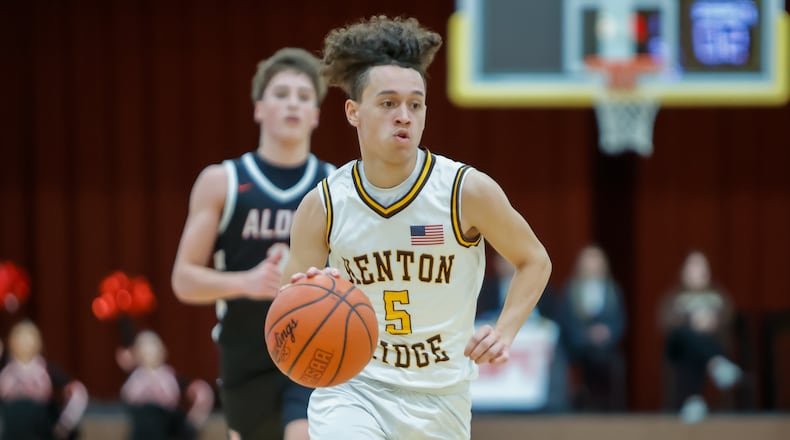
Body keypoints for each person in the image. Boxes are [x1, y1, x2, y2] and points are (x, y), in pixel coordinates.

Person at [281, 15, 552, 439]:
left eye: (415, 104)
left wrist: (504, 331)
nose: (404, 116)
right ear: (353, 111)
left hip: (441, 397)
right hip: (355, 388)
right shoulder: (324, 205)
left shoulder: (465, 191)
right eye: (388, 103)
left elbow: (534, 260)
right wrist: (311, 295)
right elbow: (289, 310)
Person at [171, 47, 335, 440]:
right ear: (259, 108)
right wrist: (246, 282)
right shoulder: (222, 181)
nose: (292, 103)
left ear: (315, 115)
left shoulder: (334, 185)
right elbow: (183, 279)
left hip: (312, 344)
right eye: (281, 94)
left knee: (304, 433)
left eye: (303, 96)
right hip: (245, 353)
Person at [659, 250, 742, 423]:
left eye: (701, 267)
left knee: (695, 349)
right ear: (684, 272)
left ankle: (692, 400)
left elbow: (729, 316)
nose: (696, 272)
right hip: (678, 348)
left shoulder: (718, 295)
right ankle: (716, 364)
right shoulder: (674, 296)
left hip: (710, 342)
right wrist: (692, 320)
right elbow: (665, 321)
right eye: (692, 267)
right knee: (685, 334)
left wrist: (712, 321)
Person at [557, 244, 627, 411]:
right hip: (577, 346)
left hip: (606, 347)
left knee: (609, 360)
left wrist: (606, 334)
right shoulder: (570, 290)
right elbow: (566, 323)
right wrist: (586, 335)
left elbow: (620, 322)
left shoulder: (613, 291)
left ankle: (610, 408)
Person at [0, 320, 89, 439]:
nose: (25, 343)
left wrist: (65, 423)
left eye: (29, 337)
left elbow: (78, 392)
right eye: (20, 337)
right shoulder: (4, 372)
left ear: (38, 342)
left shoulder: (47, 371)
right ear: (11, 341)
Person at [118, 330, 214, 440]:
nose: (150, 351)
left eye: (153, 345)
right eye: (145, 347)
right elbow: (127, 398)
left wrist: (196, 418)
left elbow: (202, 392)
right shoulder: (135, 378)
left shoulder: (171, 377)